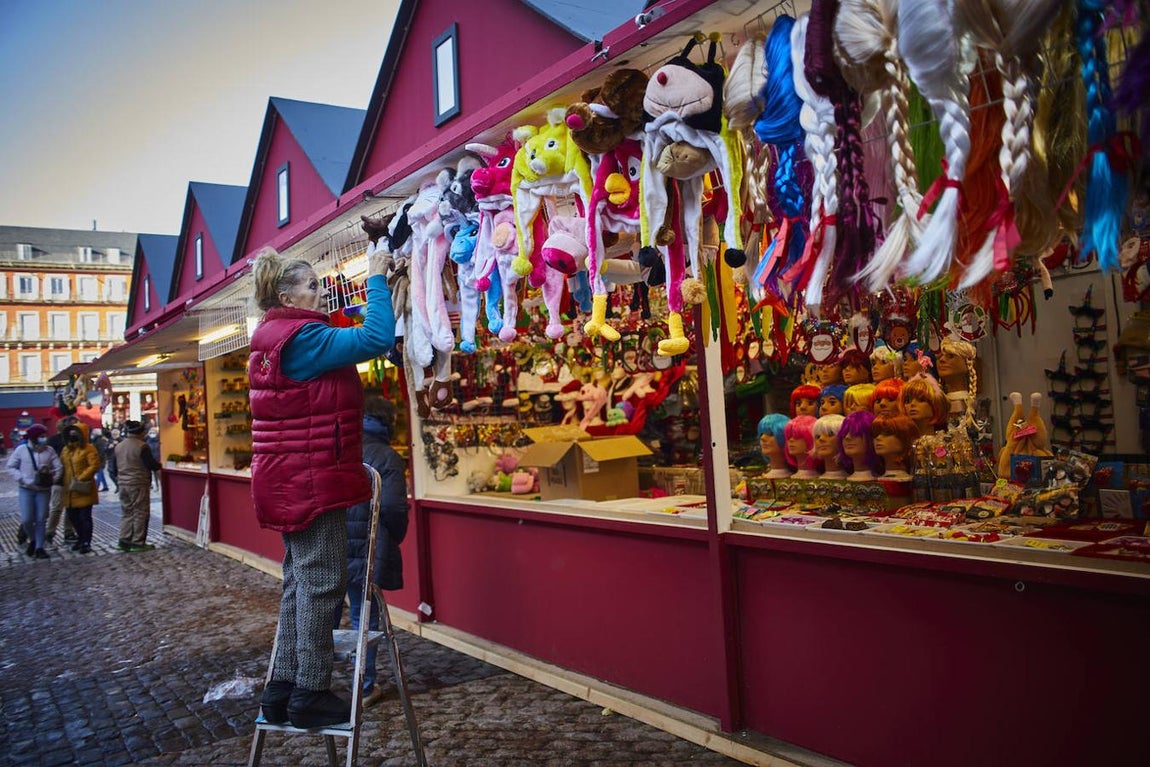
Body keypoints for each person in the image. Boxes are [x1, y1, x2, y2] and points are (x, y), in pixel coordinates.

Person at [249, 245, 395, 730]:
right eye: (312, 285)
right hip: (311, 478)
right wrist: (376, 278)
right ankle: (311, 690)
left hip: (288, 476)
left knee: (299, 581)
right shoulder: (302, 339)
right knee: (323, 583)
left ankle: (281, 688)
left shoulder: (273, 336)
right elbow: (375, 337)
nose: (320, 290)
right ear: (285, 293)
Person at [333, 397, 409, 708]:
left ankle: (315, 683)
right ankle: (362, 687)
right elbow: (392, 507)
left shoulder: (338, 448)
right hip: (368, 547)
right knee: (365, 618)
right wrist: (394, 538)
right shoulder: (387, 456)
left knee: (328, 615)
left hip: (333, 544)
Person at [6, 424, 62, 559]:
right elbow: (10, 466)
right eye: (41, 436)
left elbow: (59, 467)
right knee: (27, 519)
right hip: (26, 489)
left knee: (41, 518)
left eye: (45, 435)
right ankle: (33, 539)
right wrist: (22, 478)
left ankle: (39, 547)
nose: (44, 438)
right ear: (34, 437)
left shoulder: (49, 451)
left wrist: (53, 479)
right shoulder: (21, 450)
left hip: (43, 489)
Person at [110, 420, 161, 552]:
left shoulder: (119, 446)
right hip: (138, 483)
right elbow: (151, 465)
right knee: (140, 512)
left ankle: (124, 540)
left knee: (127, 512)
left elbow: (113, 468)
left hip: (123, 484)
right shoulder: (142, 446)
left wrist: (119, 480)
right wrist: (160, 465)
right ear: (140, 432)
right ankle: (138, 542)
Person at [61, 421, 100, 554]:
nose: (73, 435)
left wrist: (81, 477)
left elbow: (94, 465)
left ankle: (86, 541)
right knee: (72, 516)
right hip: (69, 489)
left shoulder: (89, 449)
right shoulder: (66, 450)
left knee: (85, 517)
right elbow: (62, 465)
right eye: (71, 433)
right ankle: (80, 538)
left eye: (76, 433)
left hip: (83, 488)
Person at [45, 416, 78, 544]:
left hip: (72, 478)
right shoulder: (53, 440)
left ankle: (68, 531)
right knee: (57, 507)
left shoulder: (76, 440)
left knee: (70, 507)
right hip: (58, 479)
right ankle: (50, 531)